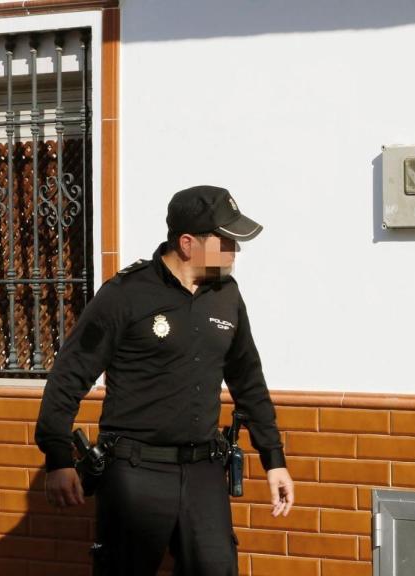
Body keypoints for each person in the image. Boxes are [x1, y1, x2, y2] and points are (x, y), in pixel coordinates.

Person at [35, 185, 295, 576]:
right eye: (225, 242)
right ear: (188, 243)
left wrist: (273, 458)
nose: (234, 252)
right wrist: (57, 457)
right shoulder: (125, 295)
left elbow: (248, 379)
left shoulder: (226, 295)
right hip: (135, 473)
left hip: (204, 469)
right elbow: (70, 375)